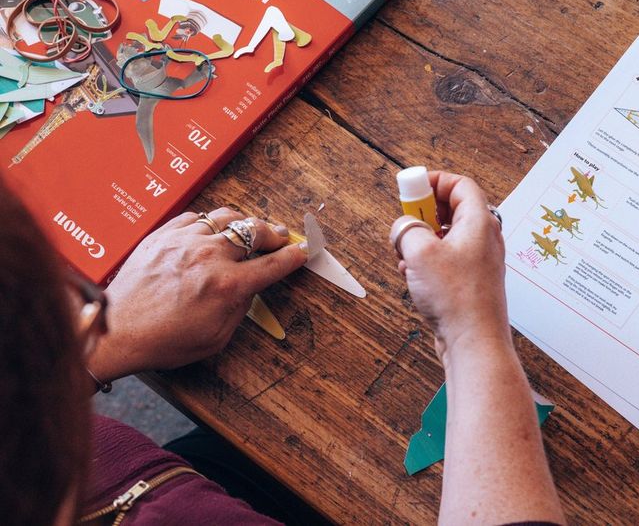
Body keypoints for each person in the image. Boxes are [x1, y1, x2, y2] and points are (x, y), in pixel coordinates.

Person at [0, 170, 564, 525]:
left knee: (231, 458)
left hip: (159, 475)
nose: (89, 311)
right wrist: (472, 330)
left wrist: (101, 348)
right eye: (71, 304)